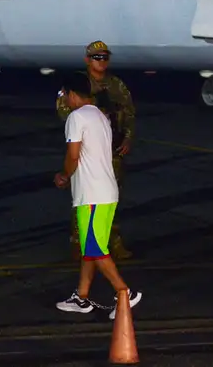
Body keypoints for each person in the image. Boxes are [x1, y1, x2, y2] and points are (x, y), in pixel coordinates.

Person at [54, 72, 143, 320]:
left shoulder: (76, 117)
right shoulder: (100, 115)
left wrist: (64, 175)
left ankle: (124, 291)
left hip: (91, 194)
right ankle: (81, 297)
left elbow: (73, 154)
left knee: (94, 247)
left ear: (72, 94)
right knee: (91, 248)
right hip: (106, 190)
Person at [56, 40, 135, 261]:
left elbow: (129, 113)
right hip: (87, 149)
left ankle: (112, 242)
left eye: (104, 57)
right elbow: (64, 111)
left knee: (111, 198)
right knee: (83, 198)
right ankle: (79, 242)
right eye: (97, 57)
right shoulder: (78, 84)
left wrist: (128, 137)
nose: (101, 61)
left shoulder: (117, 85)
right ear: (87, 60)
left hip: (113, 150)